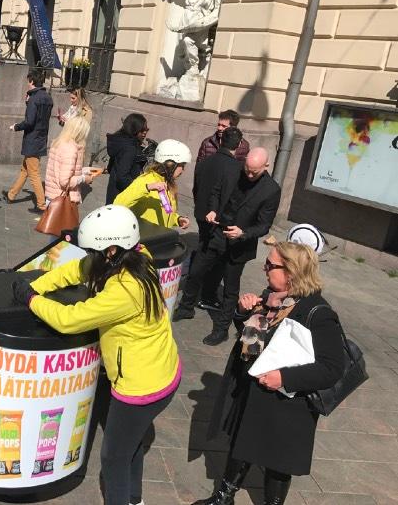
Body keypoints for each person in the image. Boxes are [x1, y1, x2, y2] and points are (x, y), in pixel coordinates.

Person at [11, 205, 181, 505]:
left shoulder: (126, 291)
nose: (91, 256)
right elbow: (79, 269)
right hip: (163, 369)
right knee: (133, 444)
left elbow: (70, 319)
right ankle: (134, 499)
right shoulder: (140, 257)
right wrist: (36, 284)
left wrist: (31, 300)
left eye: (95, 250)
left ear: (113, 250)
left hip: (141, 387)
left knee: (114, 458)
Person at [194, 242, 344, 505]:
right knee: (242, 444)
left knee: (277, 462)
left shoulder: (317, 312)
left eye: (270, 265)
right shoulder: (271, 297)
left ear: (292, 272)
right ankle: (223, 497)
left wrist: (284, 378)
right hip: (255, 392)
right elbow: (253, 343)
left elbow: (332, 368)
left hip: (288, 404)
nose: (264, 268)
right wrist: (243, 313)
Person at [174, 147, 281, 346]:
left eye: (254, 172)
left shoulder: (271, 189)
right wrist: (213, 210)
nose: (248, 174)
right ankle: (186, 307)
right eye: (247, 169)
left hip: (239, 244)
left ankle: (221, 329)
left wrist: (243, 233)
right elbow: (215, 192)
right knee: (196, 270)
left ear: (266, 166)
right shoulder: (233, 171)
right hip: (217, 233)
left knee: (230, 289)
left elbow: (264, 224)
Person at [190, 127, 244, 312]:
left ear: (220, 142)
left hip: (201, 214)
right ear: (238, 145)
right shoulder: (237, 169)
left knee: (202, 248)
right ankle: (207, 295)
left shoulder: (204, 162)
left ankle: (191, 294)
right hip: (220, 220)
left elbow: (196, 188)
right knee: (216, 260)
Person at [2, 69, 54, 214]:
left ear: (31, 81)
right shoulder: (47, 97)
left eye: (28, 81)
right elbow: (40, 118)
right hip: (41, 137)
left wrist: (16, 127)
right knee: (25, 170)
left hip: (32, 139)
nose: (27, 84)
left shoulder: (34, 98)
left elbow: (30, 121)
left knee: (34, 174)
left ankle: (42, 205)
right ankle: (12, 195)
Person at [114, 139, 192, 229]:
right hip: (145, 238)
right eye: (181, 165)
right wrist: (147, 187)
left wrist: (177, 219)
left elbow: (166, 211)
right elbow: (118, 203)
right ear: (170, 164)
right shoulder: (146, 180)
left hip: (161, 237)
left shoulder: (168, 183)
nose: (183, 170)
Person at [44, 116, 94, 211]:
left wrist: (84, 170)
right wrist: (84, 178)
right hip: (62, 199)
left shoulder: (59, 142)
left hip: (52, 195)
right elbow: (64, 182)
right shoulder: (71, 149)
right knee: (62, 225)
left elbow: (62, 170)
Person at [105, 113, 150, 204]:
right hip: (122, 198)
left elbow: (111, 167)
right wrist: (141, 188)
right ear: (133, 129)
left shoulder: (122, 142)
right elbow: (122, 178)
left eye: (146, 129)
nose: (145, 132)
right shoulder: (130, 148)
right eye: (142, 130)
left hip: (114, 193)